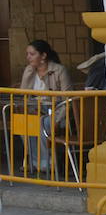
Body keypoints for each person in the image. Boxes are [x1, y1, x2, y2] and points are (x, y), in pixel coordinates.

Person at [17, 40, 71, 175]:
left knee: (42, 123)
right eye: (27, 54)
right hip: (35, 110)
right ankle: (35, 162)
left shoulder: (59, 70)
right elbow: (23, 94)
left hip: (57, 111)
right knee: (23, 122)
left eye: (32, 54)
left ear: (43, 56)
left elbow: (68, 99)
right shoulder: (29, 70)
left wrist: (57, 117)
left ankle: (47, 163)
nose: (28, 57)